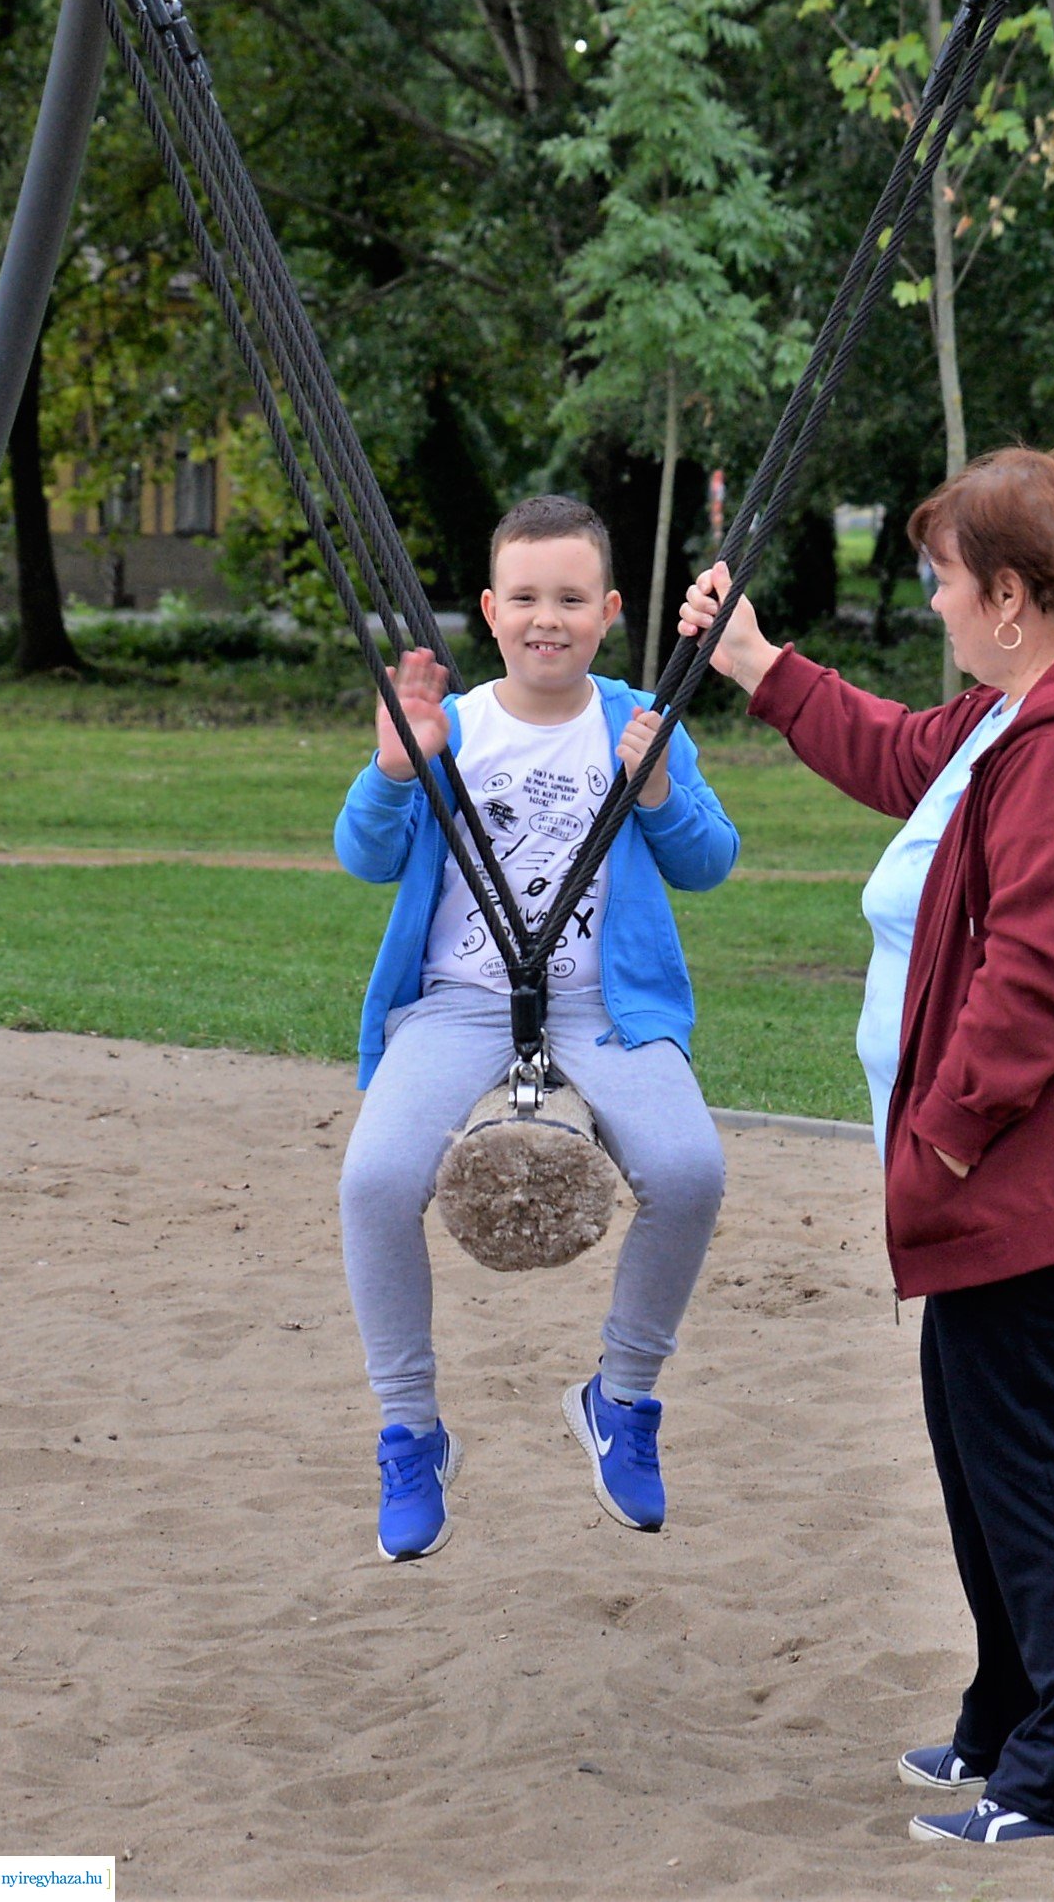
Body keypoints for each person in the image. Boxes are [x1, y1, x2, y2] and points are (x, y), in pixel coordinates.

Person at [680, 445, 1054, 1847]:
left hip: (1033, 1164)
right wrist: (758, 663)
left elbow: (1048, 972)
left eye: (938, 580)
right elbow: (902, 754)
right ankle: (1010, 1710)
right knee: (980, 1435)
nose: (927, 603)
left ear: (1007, 595)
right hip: (1003, 1160)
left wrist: (950, 1135)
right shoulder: (1019, 715)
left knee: (1039, 1451)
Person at [335, 493, 737, 1560]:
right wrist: (392, 768)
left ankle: (622, 1398)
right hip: (460, 995)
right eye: (524, 597)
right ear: (489, 608)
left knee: (690, 1169)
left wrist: (655, 791)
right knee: (375, 1181)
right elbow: (365, 856)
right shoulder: (454, 726)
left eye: (568, 597)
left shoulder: (640, 718)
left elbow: (709, 861)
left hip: (605, 1001)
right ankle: (412, 1433)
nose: (544, 617)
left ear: (606, 610)